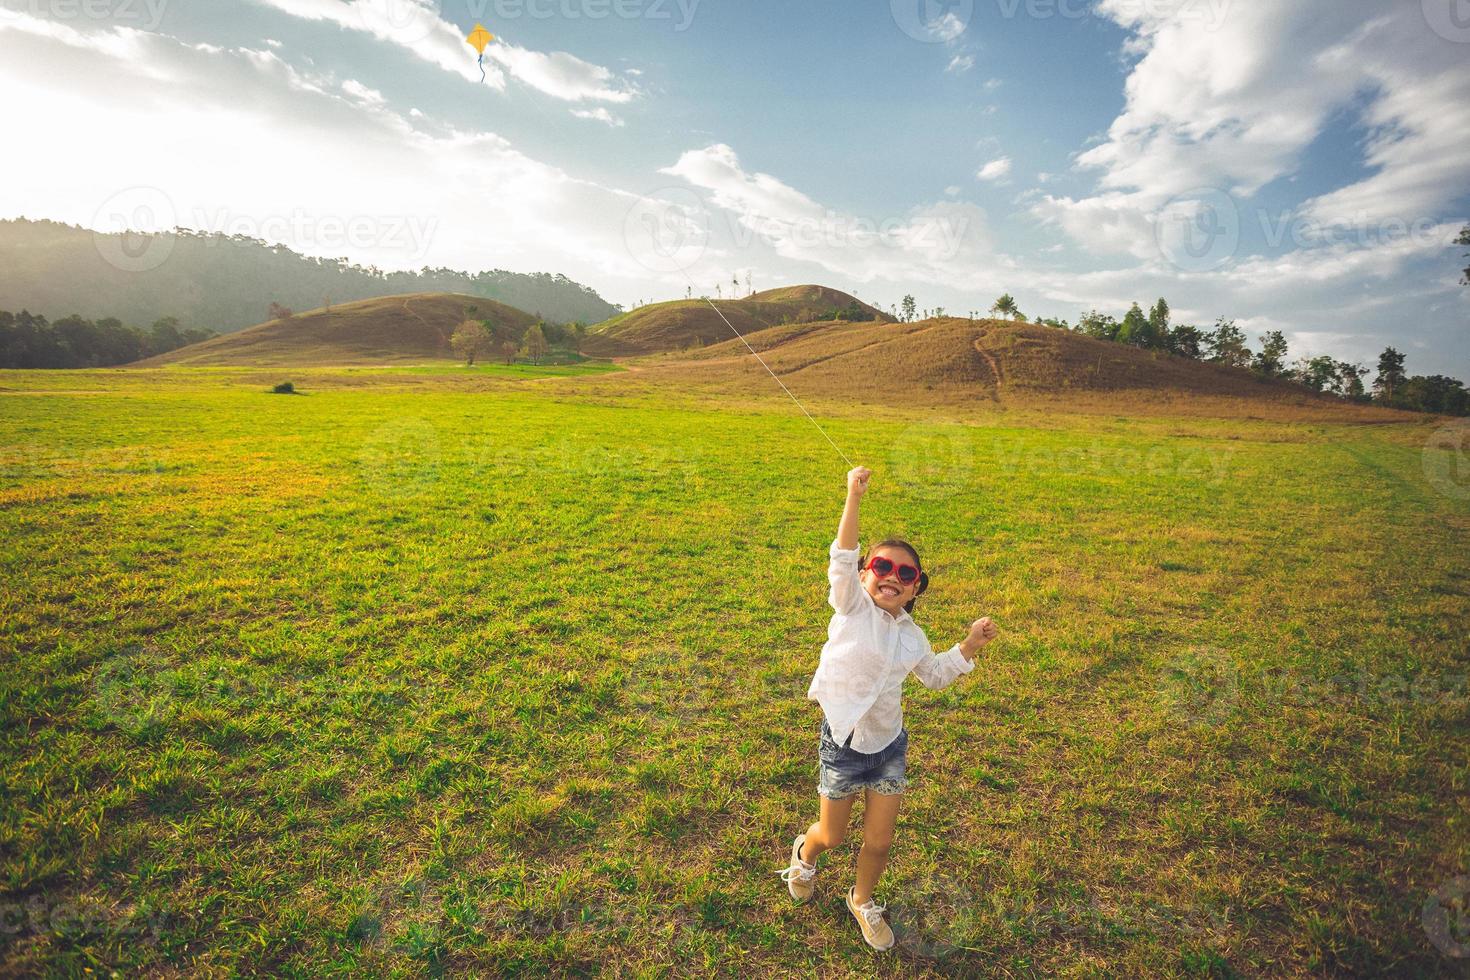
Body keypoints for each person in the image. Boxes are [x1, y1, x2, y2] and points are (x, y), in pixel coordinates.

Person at [779, 465, 998, 951]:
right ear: (864, 576)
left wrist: (969, 645)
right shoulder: (852, 607)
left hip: (889, 749)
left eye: (905, 573)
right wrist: (852, 498)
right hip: (843, 746)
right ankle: (804, 853)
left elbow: (937, 675)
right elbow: (842, 557)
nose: (891, 577)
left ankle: (861, 899)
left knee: (879, 843)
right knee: (832, 835)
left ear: (917, 587)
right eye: (881, 567)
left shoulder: (912, 637)